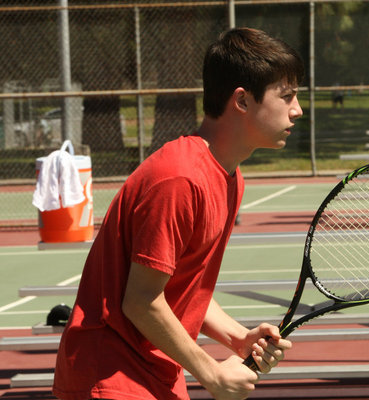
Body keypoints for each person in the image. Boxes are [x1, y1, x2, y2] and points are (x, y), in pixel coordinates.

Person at [53, 27, 304, 400]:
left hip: (155, 372)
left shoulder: (230, 177)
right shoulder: (180, 179)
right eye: (286, 97)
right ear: (242, 101)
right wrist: (211, 373)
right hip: (109, 376)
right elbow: (141, 301)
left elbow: (183, 287)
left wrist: (238, 338)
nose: (297, 109)